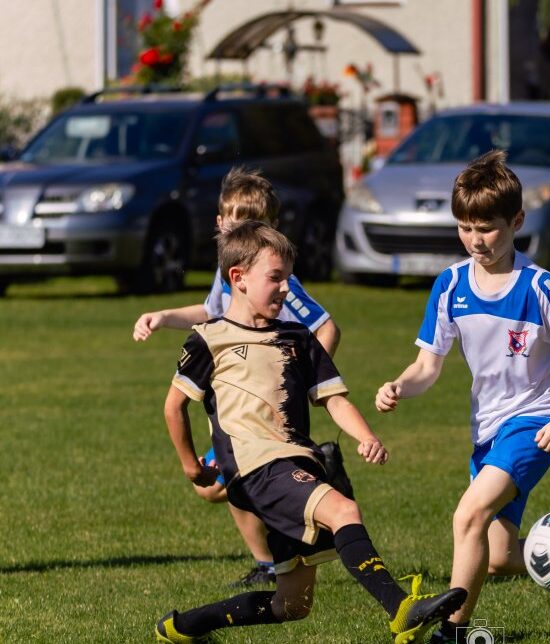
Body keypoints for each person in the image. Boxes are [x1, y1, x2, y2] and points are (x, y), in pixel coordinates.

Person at [155, 220, 466, 644]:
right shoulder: (210, 339)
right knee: (343, 511)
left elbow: (333, 399)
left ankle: (182, 627)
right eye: (275, 278)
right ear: (238, 278)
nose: (285, 289)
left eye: (288, 278)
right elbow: (174, 406)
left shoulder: (298, 337)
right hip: (256, 467)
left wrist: (366, 436)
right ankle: (401, 610)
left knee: (293, 604)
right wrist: (192, 466)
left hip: (297, 462)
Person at [374, 150, 550, 643]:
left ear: (517, 221)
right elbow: (427, 367)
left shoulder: (539, 285)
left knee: (468, 514)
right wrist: (398, 386)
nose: (475, 240)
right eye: (465, 228)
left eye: (488, 228)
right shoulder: (450, 284)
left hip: (534, 422)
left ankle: (452, 634)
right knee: (497, 555)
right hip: (487, 430)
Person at [133, 166, 340, 587]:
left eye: (254, 223)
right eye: (234, 221)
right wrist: (164, 316)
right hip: (230, 398)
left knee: (233, 480)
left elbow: (327, 328)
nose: (240, 229)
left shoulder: (279, 281)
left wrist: (301, 376)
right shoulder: (230, 273)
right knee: (217, 486)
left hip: (263, 406)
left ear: (272, 229)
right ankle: (279, 552)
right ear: (220, 223)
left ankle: (286, 546)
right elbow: (211, 313)